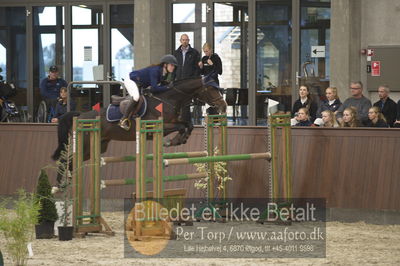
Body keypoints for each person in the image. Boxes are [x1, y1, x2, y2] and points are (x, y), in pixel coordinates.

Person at [119, 54, 178, 130]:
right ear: (165, 65)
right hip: (131, 80)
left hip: (140, 84)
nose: (173, 67)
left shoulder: (164, 73)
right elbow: (154, 88)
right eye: (172, 65)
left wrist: (167, 86)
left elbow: (158, 86)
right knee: (136, 97)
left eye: (174, 66)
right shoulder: (155, 71)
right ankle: (123, 119)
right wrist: (167, 87)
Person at [173, 34, 201, 123]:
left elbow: (197, 69)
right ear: (180, 41)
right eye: (183, 40)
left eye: (186, 40)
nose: (185, 41)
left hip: (189, 82)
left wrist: (193, 80)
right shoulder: (175, 53)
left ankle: (186, 122)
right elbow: (173, 68)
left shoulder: (194, 53)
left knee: (186, 102)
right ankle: (178, 120)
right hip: (178, 82)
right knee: (178, 101)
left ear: (189, 41)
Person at [198, 42, 222, 115]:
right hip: (206, 83)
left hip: (214, 82)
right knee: (208, 102)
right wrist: (201, 67)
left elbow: (220, 71)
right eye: (204, 51)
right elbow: (202, 73)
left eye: (207, 51)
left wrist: (212, 64)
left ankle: (216, 119)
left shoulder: (216, 58)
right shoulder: (204, 58)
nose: (206, 53)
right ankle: (209, 118)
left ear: (211, 50)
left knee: (215, 102)